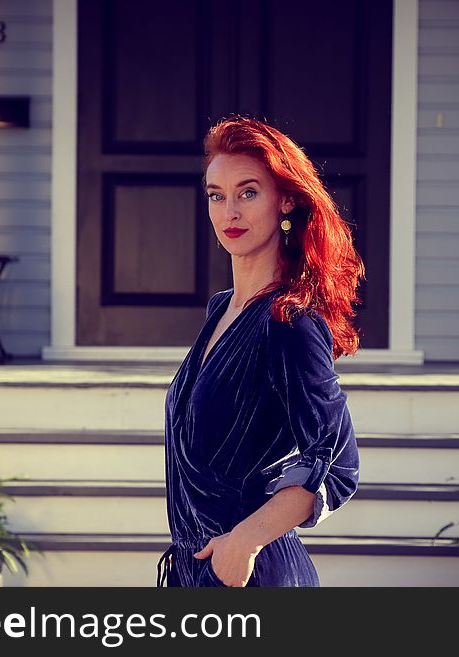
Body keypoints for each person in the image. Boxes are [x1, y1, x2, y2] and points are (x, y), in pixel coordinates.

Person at [157, 116, 364, 587]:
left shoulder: (289, 322)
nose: (229, 211)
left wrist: (246, 539)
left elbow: (338, 463)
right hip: (196, 571)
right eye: (217, 195)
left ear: (285, 200)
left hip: (253, 574)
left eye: (248, 193)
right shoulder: (221, 309)